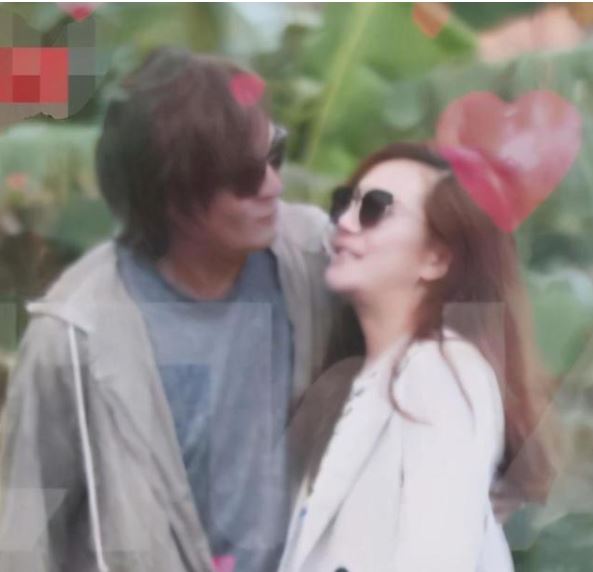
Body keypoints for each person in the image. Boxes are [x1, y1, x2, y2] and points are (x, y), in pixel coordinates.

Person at [0, 47, 351, 572]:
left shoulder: (315, 258)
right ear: (171, 194)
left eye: (274, 156)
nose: (274, 187)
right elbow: (25, 539)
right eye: (244, 177)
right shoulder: (72, 335)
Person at [280, 142, 559, 572]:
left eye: (375, 209)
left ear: (437, 258)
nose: (344, 223)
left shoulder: (443, 373)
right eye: (344, 202)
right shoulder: (361, 382)